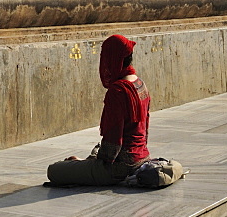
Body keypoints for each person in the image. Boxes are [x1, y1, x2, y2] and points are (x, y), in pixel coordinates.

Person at [46, 34, 150, 186]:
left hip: (119, 169)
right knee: (81, 163)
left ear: (113, 59)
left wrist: (93, 162)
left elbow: (113, 143)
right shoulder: (140, 83)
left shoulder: (118, 91)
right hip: (141, 158)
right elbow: (144, 127)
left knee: (54, 170)